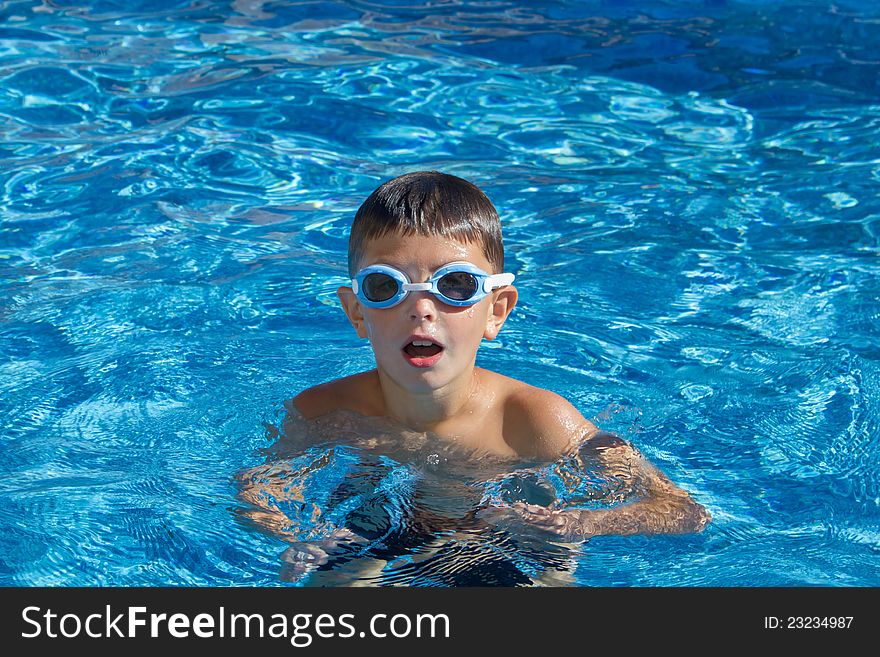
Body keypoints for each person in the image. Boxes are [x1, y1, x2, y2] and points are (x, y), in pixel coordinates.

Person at [236, 171, 710, 583]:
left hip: (508, 534)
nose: (421, 309)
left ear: (496, 311)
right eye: (387, 287)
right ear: (357, 312)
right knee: (332, 583)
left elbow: (682, 510)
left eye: (454, 286)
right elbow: (257, 489)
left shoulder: (536, 421)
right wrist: (297, 534)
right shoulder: (324, 412)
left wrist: (579, 523)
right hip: (381, 521)